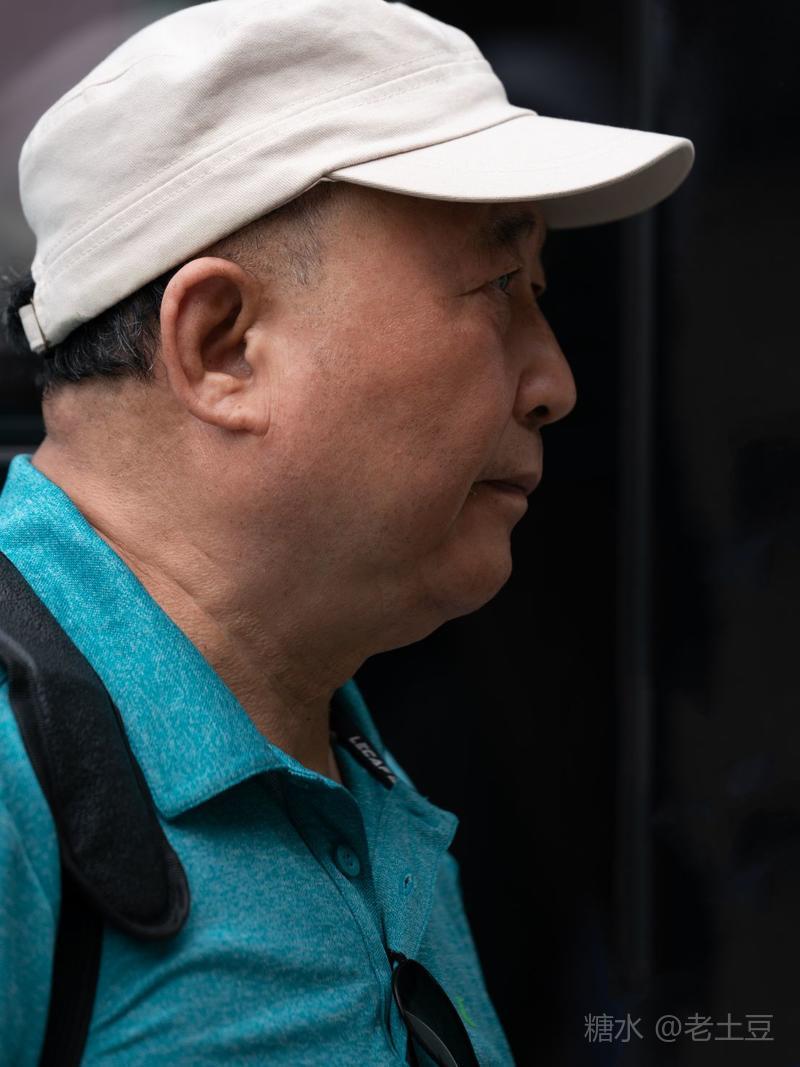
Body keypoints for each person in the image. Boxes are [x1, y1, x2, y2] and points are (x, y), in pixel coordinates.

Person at [0, 0, 694, 1062]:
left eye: (539, 290)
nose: (552, 380)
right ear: (223, 345)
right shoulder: (21, 768)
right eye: (497, 285)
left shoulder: (329, 737)